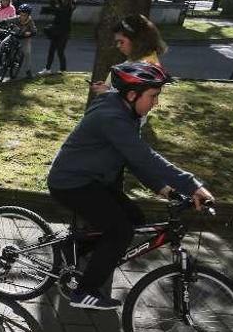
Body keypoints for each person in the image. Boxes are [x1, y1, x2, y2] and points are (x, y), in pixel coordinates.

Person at [48, 62, 214, 310]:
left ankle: (71, 249)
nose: (155, 103)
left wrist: (165, 189)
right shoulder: (112, 117)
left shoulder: (124, 113)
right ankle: (84, 292)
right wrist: (191, 184)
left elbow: (133, 160)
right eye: (153, 96)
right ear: (132, 94)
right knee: (120, 231)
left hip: (92, 179)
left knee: (134, 217)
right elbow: (145, 157)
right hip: (71, 183)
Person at [91, 14, 167, 95]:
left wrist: (106, 92)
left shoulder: (147, 67)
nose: (118, 46)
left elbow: (134, 101)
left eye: (121, 42)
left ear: (136, 40)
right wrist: (108, 87)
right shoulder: (137, 60)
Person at [39, 0, 75, 74]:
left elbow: (58, 12)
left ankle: (63, 70)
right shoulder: (64, 5)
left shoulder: (68, 7)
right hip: (57, 31)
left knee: (60, 51)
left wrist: (53, 4)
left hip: (63, 32)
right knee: (52, 50)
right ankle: (48, 69)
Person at [7, 3, 37, 79]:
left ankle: (28, 71)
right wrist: (1, 22)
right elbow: (7, 20)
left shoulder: (30, 21)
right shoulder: (17, 18)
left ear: (28, 15)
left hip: (25, 39)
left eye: (25, 15)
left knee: (27, 53)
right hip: (15, 36)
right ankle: (8, 60)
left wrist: (30, 33)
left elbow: (34, 30)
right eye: (21, 14)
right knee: (7, 45)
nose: (22, 17)